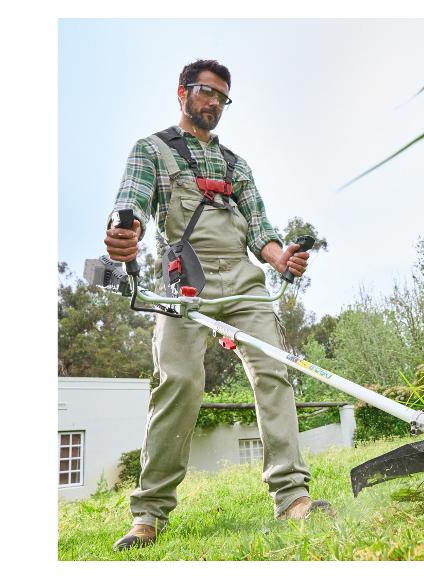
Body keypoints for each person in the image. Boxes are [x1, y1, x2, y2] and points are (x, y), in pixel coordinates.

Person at [104, 59, 331, 551]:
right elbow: (133, 202)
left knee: (273, 373)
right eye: (206, 92)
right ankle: (149, 514)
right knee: (180, 381)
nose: (214, 103)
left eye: (222, 97)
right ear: (182, 92)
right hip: (187, 278)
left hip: (244, 279)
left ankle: (293, 497)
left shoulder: (236, 165)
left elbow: (261, 229)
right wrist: (125, 231)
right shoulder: (154, 150)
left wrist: (281, 258)